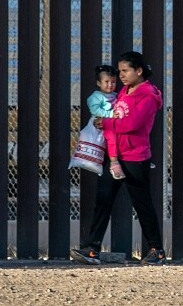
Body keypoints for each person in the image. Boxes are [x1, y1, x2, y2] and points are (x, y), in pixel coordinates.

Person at [70, 51, 166, 265]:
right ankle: (92, 248)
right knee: (103, 201)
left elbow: (131, 124)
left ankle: (156, 249)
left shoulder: (148, 95)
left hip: (134, 156)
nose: (120, 75)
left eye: (125, 71)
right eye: (120, 71)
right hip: (114, 156)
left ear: (138, 71)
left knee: (142, 203)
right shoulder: (124, 91)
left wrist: (105, 123)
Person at [87, 65, 123, 178]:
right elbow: (95, 110)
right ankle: (114, 162)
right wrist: (110, 114)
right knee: (111, 138)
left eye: (113, 82)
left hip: (113, 123)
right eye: (106, 82)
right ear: (99, 83)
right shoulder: (96, 97)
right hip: (102, 124)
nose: (110, 85)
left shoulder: (116, 95)